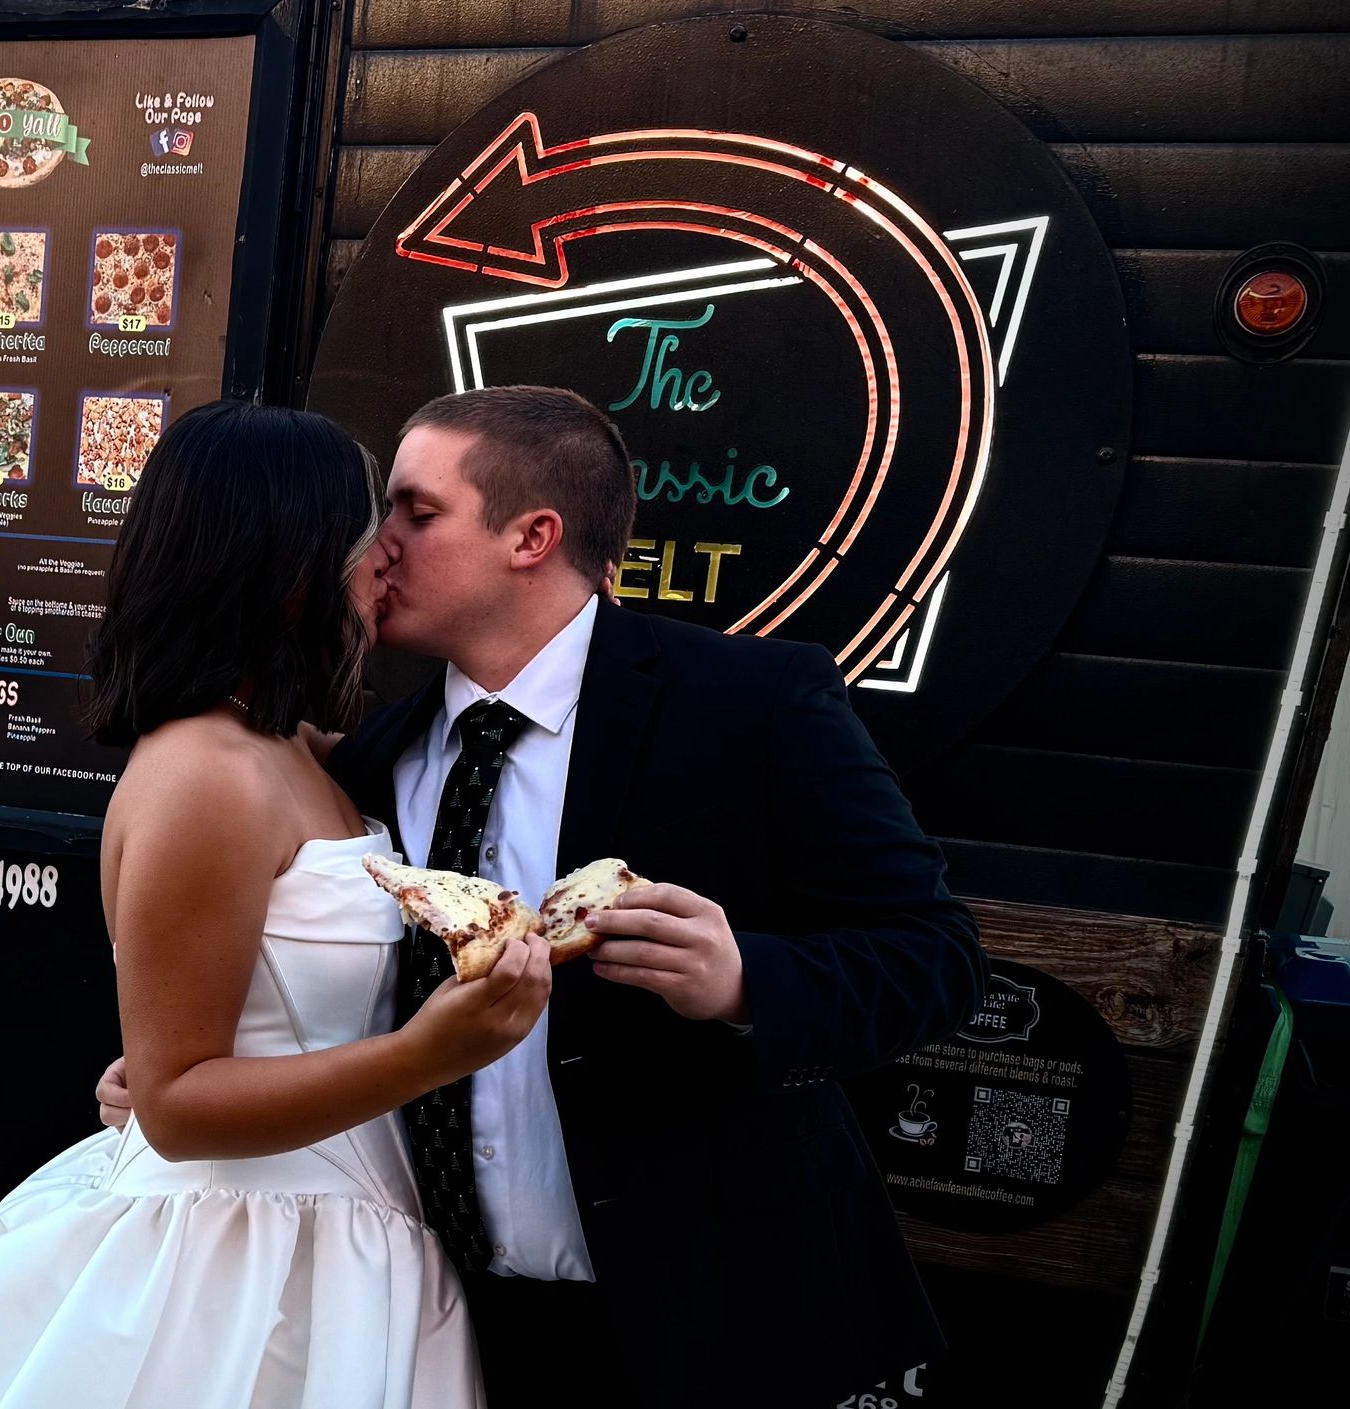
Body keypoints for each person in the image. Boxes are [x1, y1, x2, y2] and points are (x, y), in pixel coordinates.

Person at [97, 385, 987, 1405]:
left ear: (532, 535)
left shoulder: (752, 704)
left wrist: (747, 980)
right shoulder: (367, 754)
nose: (377, 544)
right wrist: (180, 1080)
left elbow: (939, 957)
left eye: (414, 512)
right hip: (438, 1321)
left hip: (705, 1318)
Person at [0, 400, 546, 1408]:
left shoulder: (294, 749)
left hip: (343, 1227)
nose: (387, 560)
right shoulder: (204, 774)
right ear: (286, 562)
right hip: (229, 1264)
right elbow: (176, 1106)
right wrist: (433, 1053)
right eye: (364, 537)